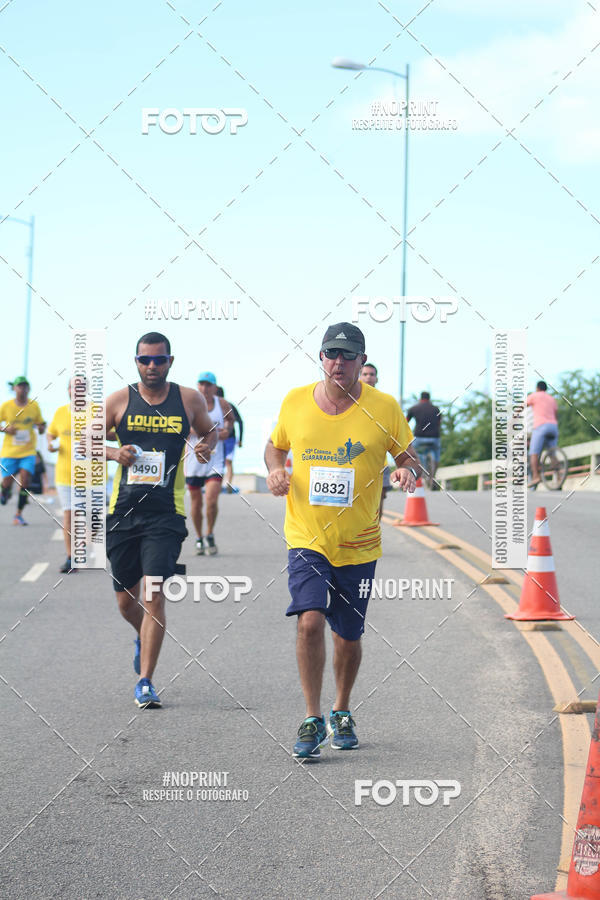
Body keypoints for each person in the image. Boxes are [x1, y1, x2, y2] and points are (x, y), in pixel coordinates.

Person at [265, 323, 417, 760]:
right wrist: (276, 469)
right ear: (321, 356)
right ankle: (312, 716)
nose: (339, 362)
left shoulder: (384, 407)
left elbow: (406, 454)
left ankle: (341, 709)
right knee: (309, 620)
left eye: (348, 356)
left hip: (359, 543)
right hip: (307, 537)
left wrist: (406, 469)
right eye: (331, 353)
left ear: (362, 362)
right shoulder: (296, 401)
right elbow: (275, 447)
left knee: (348, 636)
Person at [105, 333, 217, 708]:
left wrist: (206, 446)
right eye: (145, 360)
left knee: (153, 594)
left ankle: (145, 681)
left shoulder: (188, 399)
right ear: (135, 361)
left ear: (171, 361)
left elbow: (210, 431)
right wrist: (112, 452)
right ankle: (144, 636)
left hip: (166, 515)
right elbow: (85, 440)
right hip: (122, 511)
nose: (152, 366)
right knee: (125, 601)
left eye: (159, 360)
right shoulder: (120, 400)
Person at [185, 373, 233, 555]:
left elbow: (230, 421)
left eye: (208, 385)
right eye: (201, 384)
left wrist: (226, 431)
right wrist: (204, 430)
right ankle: (198, 537)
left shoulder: (222, 404)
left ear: (214, 387)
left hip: (215, 460)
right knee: (196, 504)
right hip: (193, 462)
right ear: (197, 386)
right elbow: (182, 425)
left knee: (211, 500)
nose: (204, 388)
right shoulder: (191, 402)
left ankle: (209, 533)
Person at [47, 378, 83, 573]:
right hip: (65, 474)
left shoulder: (96, 411)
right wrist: (50, 444)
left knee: (89, 518)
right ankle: (71, 558)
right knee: (70, 516)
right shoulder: (61, 412)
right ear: (68, 390)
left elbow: (111, 433)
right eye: (72, 387)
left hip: (90, 474)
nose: (76, 390)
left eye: (80, 387)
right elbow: (51, 433)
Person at [0, 377, 46, 525]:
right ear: (14, 388)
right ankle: (5, 491)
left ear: (28, 389)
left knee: (25, 479)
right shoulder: (6, 406)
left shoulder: (34, 406)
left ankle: (18, 514)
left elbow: (41, 424)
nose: (22, 389)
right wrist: (5, 429)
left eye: (25, 386)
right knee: (7, 481)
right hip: (10, 451)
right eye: (19, 386)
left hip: (28, 451)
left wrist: (41, 428)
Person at [359, 363, 391, 518]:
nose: (368, 377)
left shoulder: (384, 404)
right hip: (356, 462)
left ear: (376, 378)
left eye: (371, 374)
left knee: (378, 510)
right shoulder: (350, 401)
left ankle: (372, 540)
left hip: (380, 464)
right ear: (359, 376)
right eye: (365, 374)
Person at [527, 380, 558, 488]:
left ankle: (536, 477)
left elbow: (522, 406)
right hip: (553, 427)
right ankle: (558, 475)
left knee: (534, 453)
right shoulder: (552, 399)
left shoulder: (534, 395)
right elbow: (555, 413)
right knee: (552, 451)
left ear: (537, 388)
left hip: (540, 426)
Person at [406, 391, 442, 485]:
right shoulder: (436, 409)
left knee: (415, 453)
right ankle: (433, 474)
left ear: (420, 398)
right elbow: (439, 423)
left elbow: (406, 423)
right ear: (429, 399)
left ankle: (421, 468)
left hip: (419, 437)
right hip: (435, 437)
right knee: (436, 453)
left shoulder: (413, 409)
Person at [216, 386, 243, 492]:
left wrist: (241, 439)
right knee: (223, 462)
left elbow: (240, 421)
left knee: (227, 462)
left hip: (230, 438)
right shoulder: (211, 407)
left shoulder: (229, 406)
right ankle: (219, 484)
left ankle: (228, 485)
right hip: (218, 439)